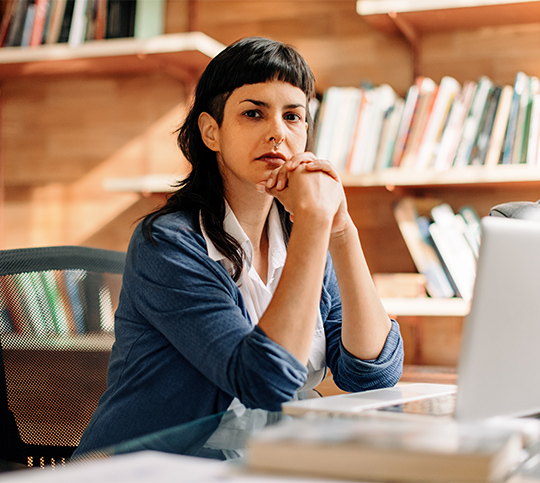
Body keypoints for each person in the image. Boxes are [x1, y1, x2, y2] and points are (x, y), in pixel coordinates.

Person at [75, 36, 403, 458]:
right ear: (211, 132)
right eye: (253, 113)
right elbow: (263, 380)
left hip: (266, 460)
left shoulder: (302, 237)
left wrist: (341, 231)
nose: (277, 133)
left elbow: (372, 373)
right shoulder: (169, 244)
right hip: (158, 469)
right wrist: (315, 226)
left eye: (293, 116)